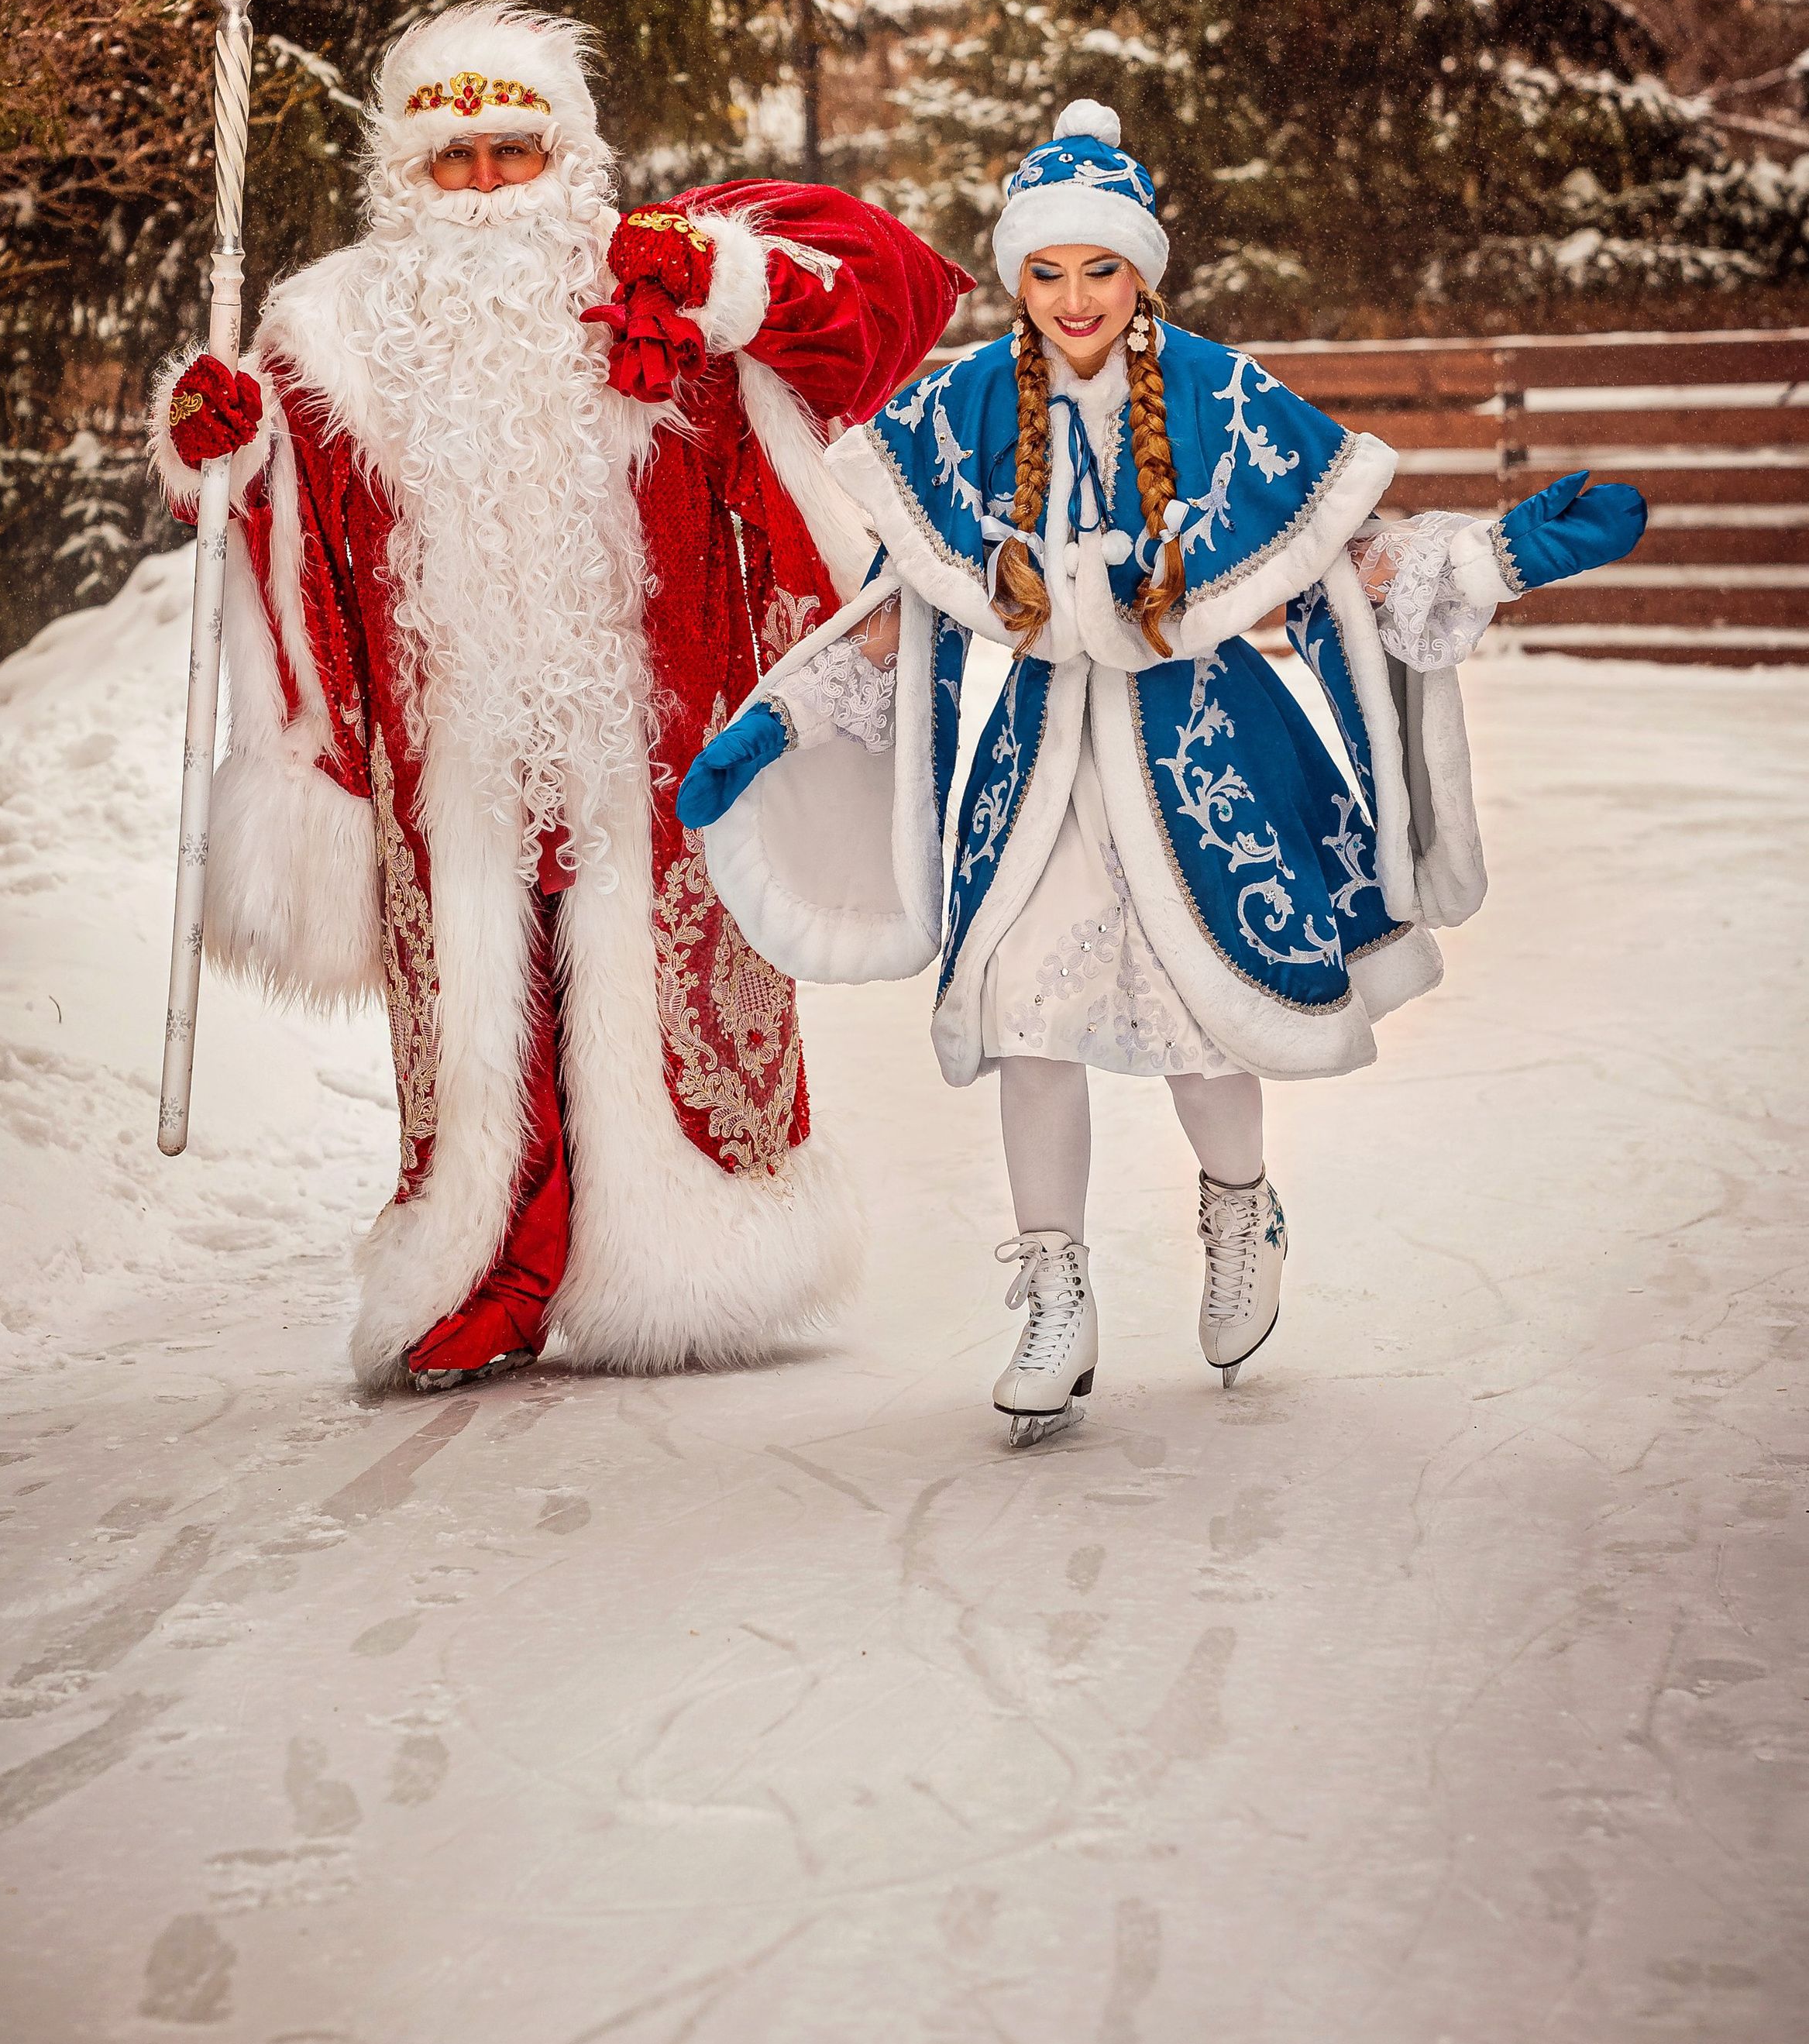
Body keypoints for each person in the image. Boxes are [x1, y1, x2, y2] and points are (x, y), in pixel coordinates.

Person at [677, 100, 1646, 1442]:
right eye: (1047, 272)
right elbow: (911, 608)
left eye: (1102, 269)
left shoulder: (1221, 395)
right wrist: (779, 724)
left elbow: (1337, 569)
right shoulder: (966, 406)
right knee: (1026, 1012)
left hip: (1208, 767)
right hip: (1038, 771)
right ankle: (1051, 1289)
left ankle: (1240, 1207)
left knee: (1205, 1023)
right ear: (1018, 276)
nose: (1074, 299)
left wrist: (1492, 560)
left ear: (1143, 273)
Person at [150, 0, 967, 1392]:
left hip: (645, 734)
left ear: (566, 155)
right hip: (450, 735)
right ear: (402, 174)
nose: (482, 189)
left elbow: (891, 303)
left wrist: (730, 281)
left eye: (512, 155)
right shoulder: (330, 324)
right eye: (450, 160)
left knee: (651, 995)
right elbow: (271, 509)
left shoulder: (652, 275)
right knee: (475, 1019)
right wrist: (212, 439)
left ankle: (691, 1255)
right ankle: (486, 1272)